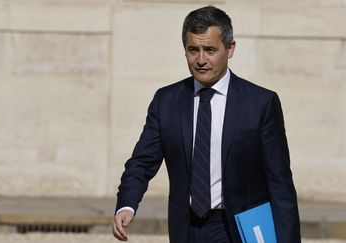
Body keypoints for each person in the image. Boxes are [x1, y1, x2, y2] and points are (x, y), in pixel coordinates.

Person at [112, 5, 301, 243]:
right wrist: (126, 205)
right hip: (186, 229)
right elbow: (142, 162)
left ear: (230, 49)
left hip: (240, 229)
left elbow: (280, 181)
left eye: (210, 50)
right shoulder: (166, 101)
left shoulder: (261, 103)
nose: (201, 59)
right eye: (193, 50)